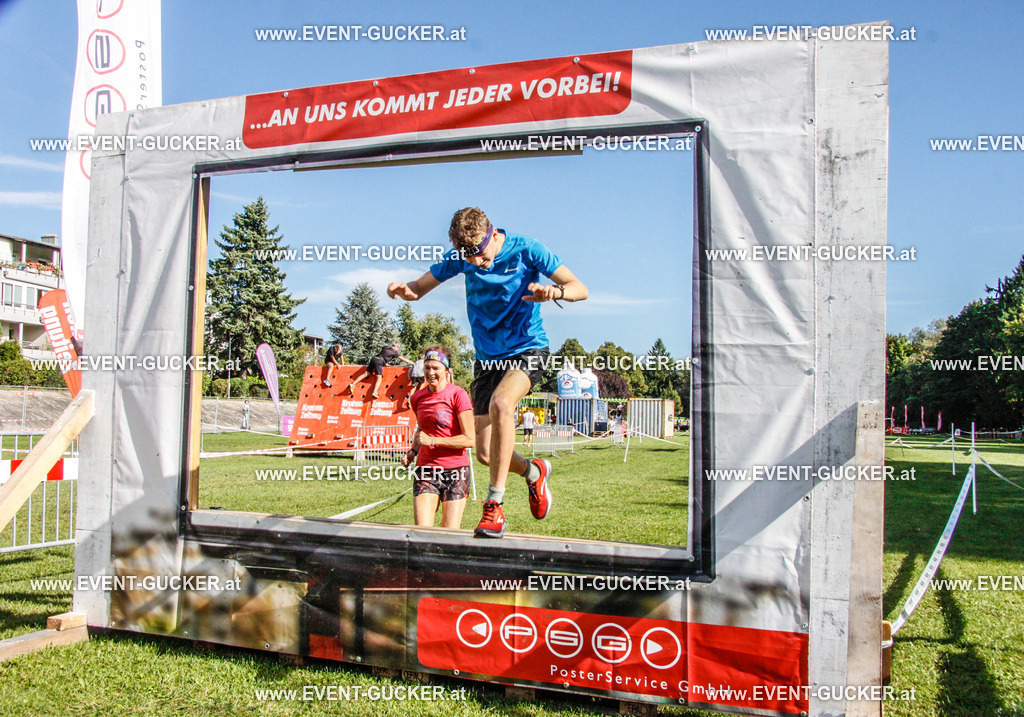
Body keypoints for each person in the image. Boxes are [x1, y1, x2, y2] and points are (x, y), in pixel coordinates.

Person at [387, 207, 588, 538]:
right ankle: (534, 472)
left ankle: (494, 507)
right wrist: (401, 291)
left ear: (493, 235)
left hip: (528, 349)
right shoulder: (463, 257)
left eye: (481, 255)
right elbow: (418, 288)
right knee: (483, 453)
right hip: (488, 360)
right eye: (470, 260)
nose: (478, 264)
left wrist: (556, 292)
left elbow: (580, 287)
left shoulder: (528, 249)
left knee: (502, 404)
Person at [402, 345, 475, 529]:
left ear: (446, 370)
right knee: (422, 531)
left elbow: (470, 439)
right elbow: (422, 429)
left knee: (449, 533)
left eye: (436, 368)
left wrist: (434, 441)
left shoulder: (458, 395)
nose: (431, 372)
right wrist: (413, 451)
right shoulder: (417, 398)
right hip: (426, 469)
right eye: (427, 368)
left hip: (456, 471)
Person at [346, 342, 414, 399]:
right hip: (379, 362)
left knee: (366, 373)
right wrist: (413, 363)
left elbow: (384, 354)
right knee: (379, 377)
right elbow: (403, 359)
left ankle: (353, 384)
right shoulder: (394, 352)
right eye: (398, 347)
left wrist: (385, 363)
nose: (398, 349)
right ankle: (375, 391)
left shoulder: (386, 347)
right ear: (396, 347)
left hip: (374, 359)